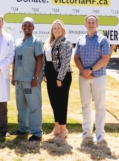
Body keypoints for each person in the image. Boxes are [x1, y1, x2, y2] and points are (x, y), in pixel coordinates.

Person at [74, 14, 110, 143]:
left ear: (97, 25)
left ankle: (100, 133)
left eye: (93, 22)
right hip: (83, 77)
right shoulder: (80, 39)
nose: (90, 24)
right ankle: (87, 131)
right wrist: (83, 71)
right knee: (85, 105)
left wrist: (90, 70)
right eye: (88, 22)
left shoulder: (103, 40)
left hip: (98, 76)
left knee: (100, 106)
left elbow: (105, 58)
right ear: (85, 24)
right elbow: (76, 57)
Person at [11, 17, 44, 141]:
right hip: (19, 79)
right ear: (22, 27)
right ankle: (23, 128)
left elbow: (40, 59)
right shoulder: (18, 42)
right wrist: (13, 76)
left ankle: (36, 132)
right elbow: (14, 60)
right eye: (25, 25)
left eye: (29, 25)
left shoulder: (36, 41)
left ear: (33, 27)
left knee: (34, 106)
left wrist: (36, 77)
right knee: (21, 106)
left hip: (31, 81)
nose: (27, 27)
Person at [42, 20, 73, 140]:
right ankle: (56, 128)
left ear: (63, 29)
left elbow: (65, 62)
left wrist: (60, 78)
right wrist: (45, 73)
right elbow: (46, 60)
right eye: (54, 28)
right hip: (50, 75)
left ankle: (63, 131)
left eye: (58, 28)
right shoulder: (49, 42)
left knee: (61, 103)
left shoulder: (66, 42)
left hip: (62, 76)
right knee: (54, 102)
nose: (56, 30)